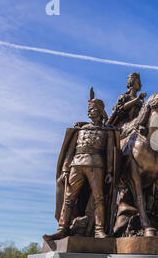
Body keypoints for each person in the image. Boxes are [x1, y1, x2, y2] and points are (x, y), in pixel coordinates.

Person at [43, 88, 118, 241]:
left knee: (98, 198)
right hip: (76, 165)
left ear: (99, 111)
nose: (89, 112)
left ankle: (98, 230)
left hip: (96, 165)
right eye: (89, 110)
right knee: (69, 198)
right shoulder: (80, 129)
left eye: (92, 109)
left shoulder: (107, 132)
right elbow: (70, 151)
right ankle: (62, 229)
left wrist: (110, 171)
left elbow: (110, 153)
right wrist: (65, 169)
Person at [107, 73, 147, 138]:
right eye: (138, 81)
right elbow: (121, 108)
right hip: (123, 125)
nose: (140, 84)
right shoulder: (124, 97)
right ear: (132, 81)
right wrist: (137, 99)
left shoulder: (140, 102)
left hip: (137, 124)